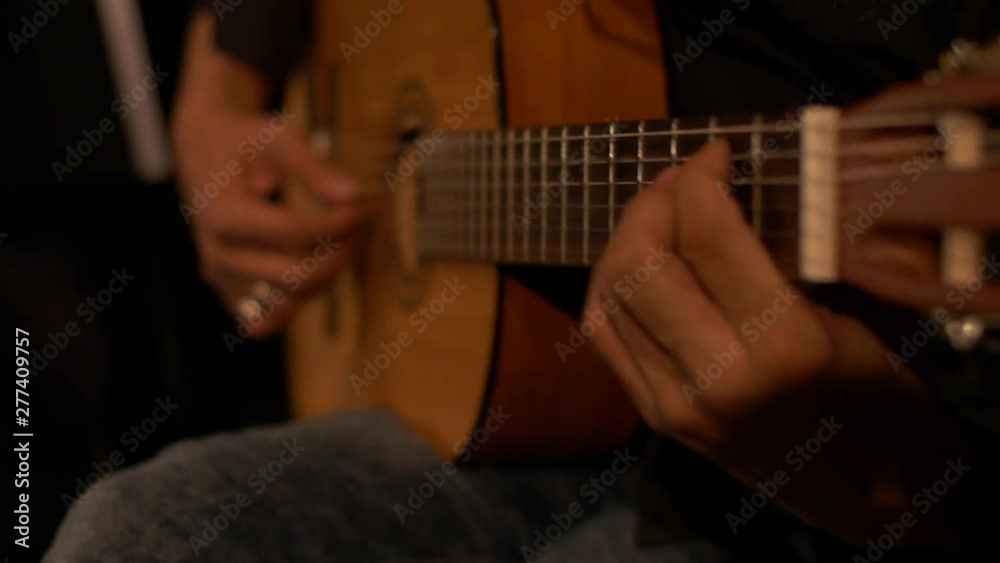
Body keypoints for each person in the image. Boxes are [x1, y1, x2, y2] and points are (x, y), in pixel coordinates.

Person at [43, 1, 1000, 561]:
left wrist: (888, 485)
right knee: (140, 533)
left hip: (792, 502)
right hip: (531, 398)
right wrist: (221, 84)